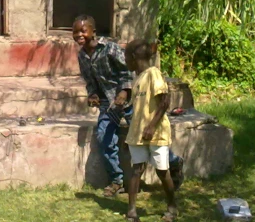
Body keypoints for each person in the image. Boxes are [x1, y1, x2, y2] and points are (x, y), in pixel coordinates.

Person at [73, 14, 134, 197]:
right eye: (75, 32)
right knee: (104, 137)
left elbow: (127, 70)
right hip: (108, 105)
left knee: (146, 137)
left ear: (93, 31)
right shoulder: (82, 56)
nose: (79, 35)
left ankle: (172, 162)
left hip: (128, 101)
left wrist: (124, 91)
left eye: (83, 30)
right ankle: (117, 180)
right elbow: (89, 80)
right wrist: (92, 94)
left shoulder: (110, 48)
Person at [123, 39, 178, 222]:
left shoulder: (153, 73)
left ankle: (172, 207)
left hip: (156, 133)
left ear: (132, 57)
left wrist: (152, 125)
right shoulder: (137, 79)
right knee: (136, 170)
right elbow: (138, 111)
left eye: (125, 57)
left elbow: (164, 102)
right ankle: (131, 212)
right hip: (138, 134)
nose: (125, 62)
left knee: (162, 171)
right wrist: (131, 135)